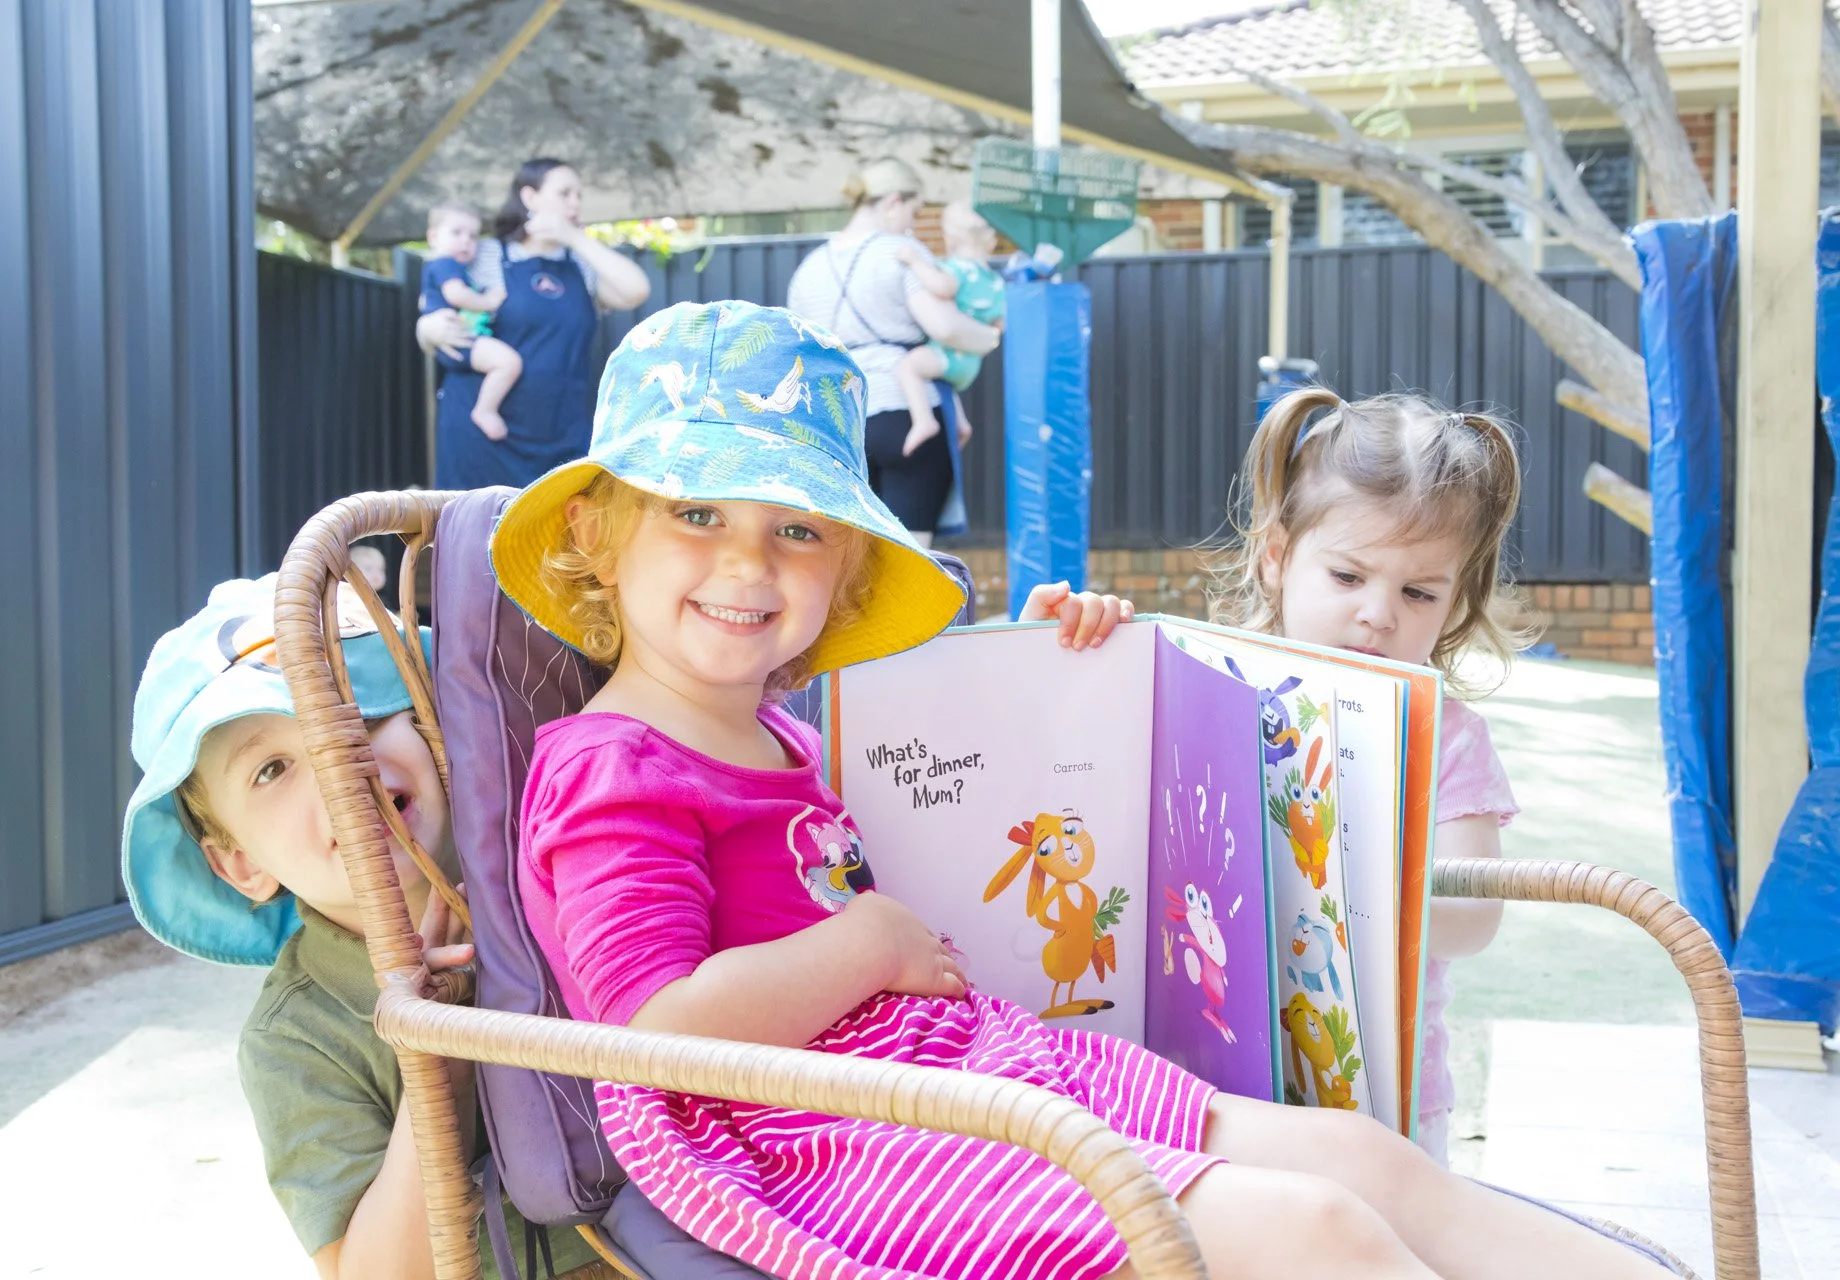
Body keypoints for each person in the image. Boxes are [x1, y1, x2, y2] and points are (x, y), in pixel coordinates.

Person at [488, 301, 1665, 1280]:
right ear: (596, 534)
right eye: (696, 513)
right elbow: (655, 1037)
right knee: (1318, 1226)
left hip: (955, 1072)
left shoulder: (789, 731)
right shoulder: (612, 766)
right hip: (824, 1135)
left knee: (1368, 1159)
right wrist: (871, 943)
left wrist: (1065, 653)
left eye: (797, 527)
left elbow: (970, 748)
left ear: (842, 561)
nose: (749, 563)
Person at [118, 576, 599, 1280]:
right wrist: (439, 1051)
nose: (342, 768)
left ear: (440, 726)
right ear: (240, 865)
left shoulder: (561, 861)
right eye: (273, 768)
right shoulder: (298, 1036)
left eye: (365, 714)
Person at [1211, 386, 1532, 1167]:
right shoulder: (1212, 682)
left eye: (1418, 592)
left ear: (1455, 602)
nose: (1379, 615)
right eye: (1349, 577)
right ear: (1277, 557)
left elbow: (1474, 917)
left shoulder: (1449, 736)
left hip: (1386, 1102)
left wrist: (1347, 875)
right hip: (1220, 1080)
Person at [787, 158, 1000, 546]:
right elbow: (945, 327)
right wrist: (991, 337)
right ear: (893, 203)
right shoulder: (900, 251)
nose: (912, 226)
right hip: (905, 413)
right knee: (911, 553)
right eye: (913, 214)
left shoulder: (809, 268)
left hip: (841, 420)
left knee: (850, 553)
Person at [418, 158, 651, 490]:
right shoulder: (486, 255)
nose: (575, 203)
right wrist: (425, 331)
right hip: (484, 438)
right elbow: (434, 299)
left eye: (579, 195)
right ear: (529, 198)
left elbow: (636, 290)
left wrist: (577, 239)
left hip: (561, 439)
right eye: (565, 193)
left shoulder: (581, 266)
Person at [893, 201, 1005, 460]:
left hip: (949, 352)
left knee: (909, 367)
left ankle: (923, 421)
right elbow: (999, 325)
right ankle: (962, 423)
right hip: (971, 362)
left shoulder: (958, 268)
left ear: (952, 237)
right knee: (943, 380)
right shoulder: (995, 281)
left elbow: (942, 287)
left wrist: (914, 261)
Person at [420, 204, 523, 442]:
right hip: (457, 338)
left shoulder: (454, 266)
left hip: (460, 337)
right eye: (456, 233)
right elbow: (457, 295)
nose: (465, 241)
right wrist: (489, 301)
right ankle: (485, 410)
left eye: (473, 236)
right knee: (509, 363)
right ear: (434, 236)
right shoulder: (445, 264)